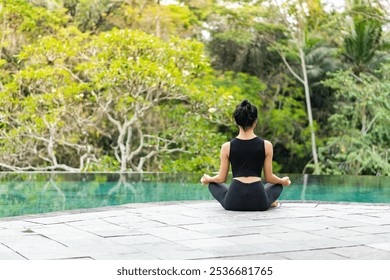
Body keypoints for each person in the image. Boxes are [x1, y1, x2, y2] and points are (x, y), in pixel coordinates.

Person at [200, 100, 291, 211]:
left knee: (212, 184)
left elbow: (221, 179)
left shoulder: (226, 146)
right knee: (277, 185)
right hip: (259, 202)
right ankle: (269, 201)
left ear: (236, 121)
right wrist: (283, 181)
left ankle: (265, 200)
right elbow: (269, 178)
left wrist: (208, 179)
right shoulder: (266, 145)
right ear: (255, 121)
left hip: (233, 202)